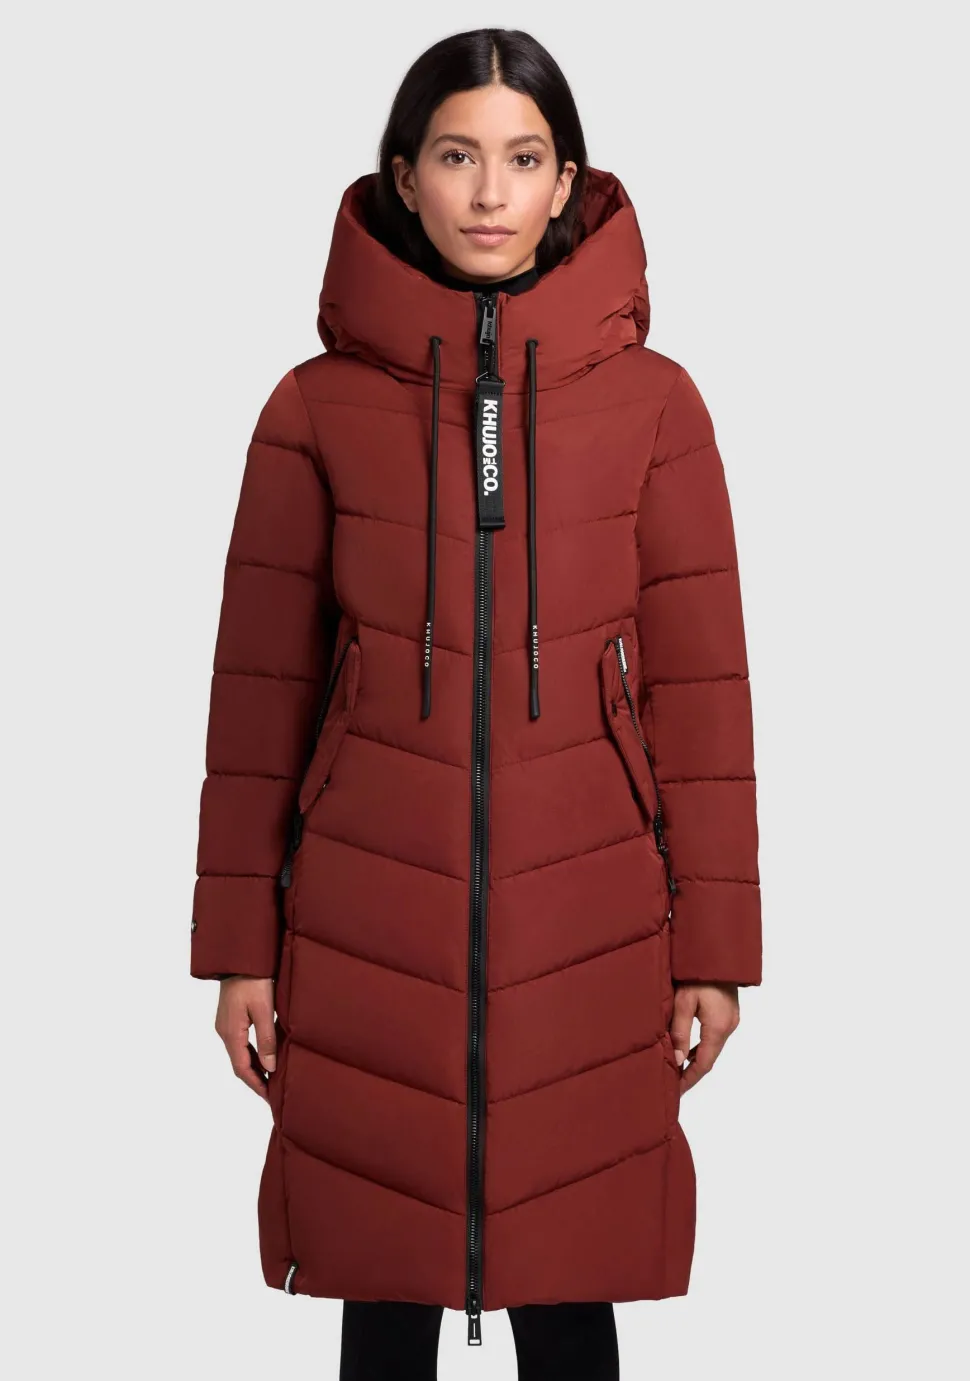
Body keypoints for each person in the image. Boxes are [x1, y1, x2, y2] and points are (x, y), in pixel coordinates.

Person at [189, 25, 762, 1380]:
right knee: (380, 1285)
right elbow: (258, 698)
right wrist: (237, 950)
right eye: (456, 157)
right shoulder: (312, 411)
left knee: (572, 1289)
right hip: (365, 909)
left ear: (567, 182)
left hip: (592, 914)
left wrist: (717, 951)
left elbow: (703, 700)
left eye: (522, 158)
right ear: (404, 177)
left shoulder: (656, 408)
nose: (490, 193)